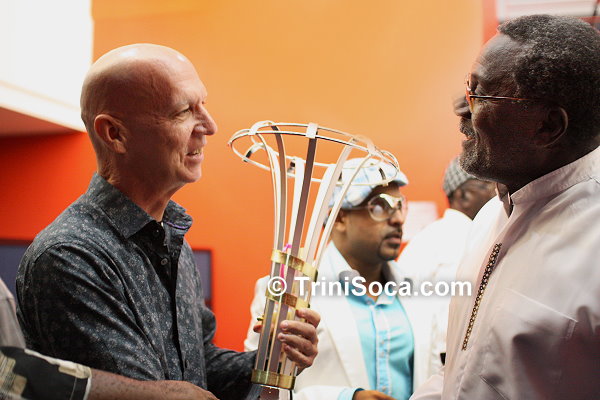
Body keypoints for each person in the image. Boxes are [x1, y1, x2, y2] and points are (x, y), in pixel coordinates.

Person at [16, 44, 319, 400]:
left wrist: (272, 359)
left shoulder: (171, 239)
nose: (210, 126)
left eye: (203, 104)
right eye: (183, 111)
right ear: (114, 133)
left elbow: (199, 366)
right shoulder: (70, 257)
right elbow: (149, 394)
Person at [411, 15, 600, 399]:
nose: (462, 110)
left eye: (481, 95)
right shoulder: (488, 218)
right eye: (469, 87)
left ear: (548, 126)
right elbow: (463, 372)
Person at [245, 158, 433, 400]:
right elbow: (259, 392)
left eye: (399, 206)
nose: (398, 219)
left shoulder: (420, 290)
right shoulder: (287, 292)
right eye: (380, 206)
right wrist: (345, 398)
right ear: (340, 217)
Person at [1, 276, 216, 399]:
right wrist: (158, 394)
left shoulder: (179, 246)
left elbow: (199, 357)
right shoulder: (70, 251)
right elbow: (10, 374)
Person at [396, 157, 495, 380]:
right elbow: (450, 334)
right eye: (487, 185)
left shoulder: (438, 235)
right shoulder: (458, 240)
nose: (496, 194)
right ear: (464, 195)